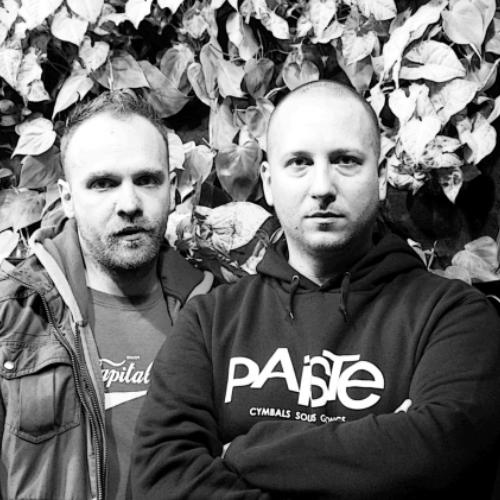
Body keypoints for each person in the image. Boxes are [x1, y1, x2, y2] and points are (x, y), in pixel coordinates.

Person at [132, 79, 500, 500]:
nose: (322, 187)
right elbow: (160, 480)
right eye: (299, 163)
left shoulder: (454, 316)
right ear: (268, 182)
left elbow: (442, 450)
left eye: (345, 161)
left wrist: (245, 453)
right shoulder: (209, 322)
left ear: (381, 177)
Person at [0, 91, 213, 500]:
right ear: (67, 198)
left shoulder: (217, 313)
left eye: (146, 180)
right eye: (103, 184)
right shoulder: (12, 318)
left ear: (172, 189)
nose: (129, 203)